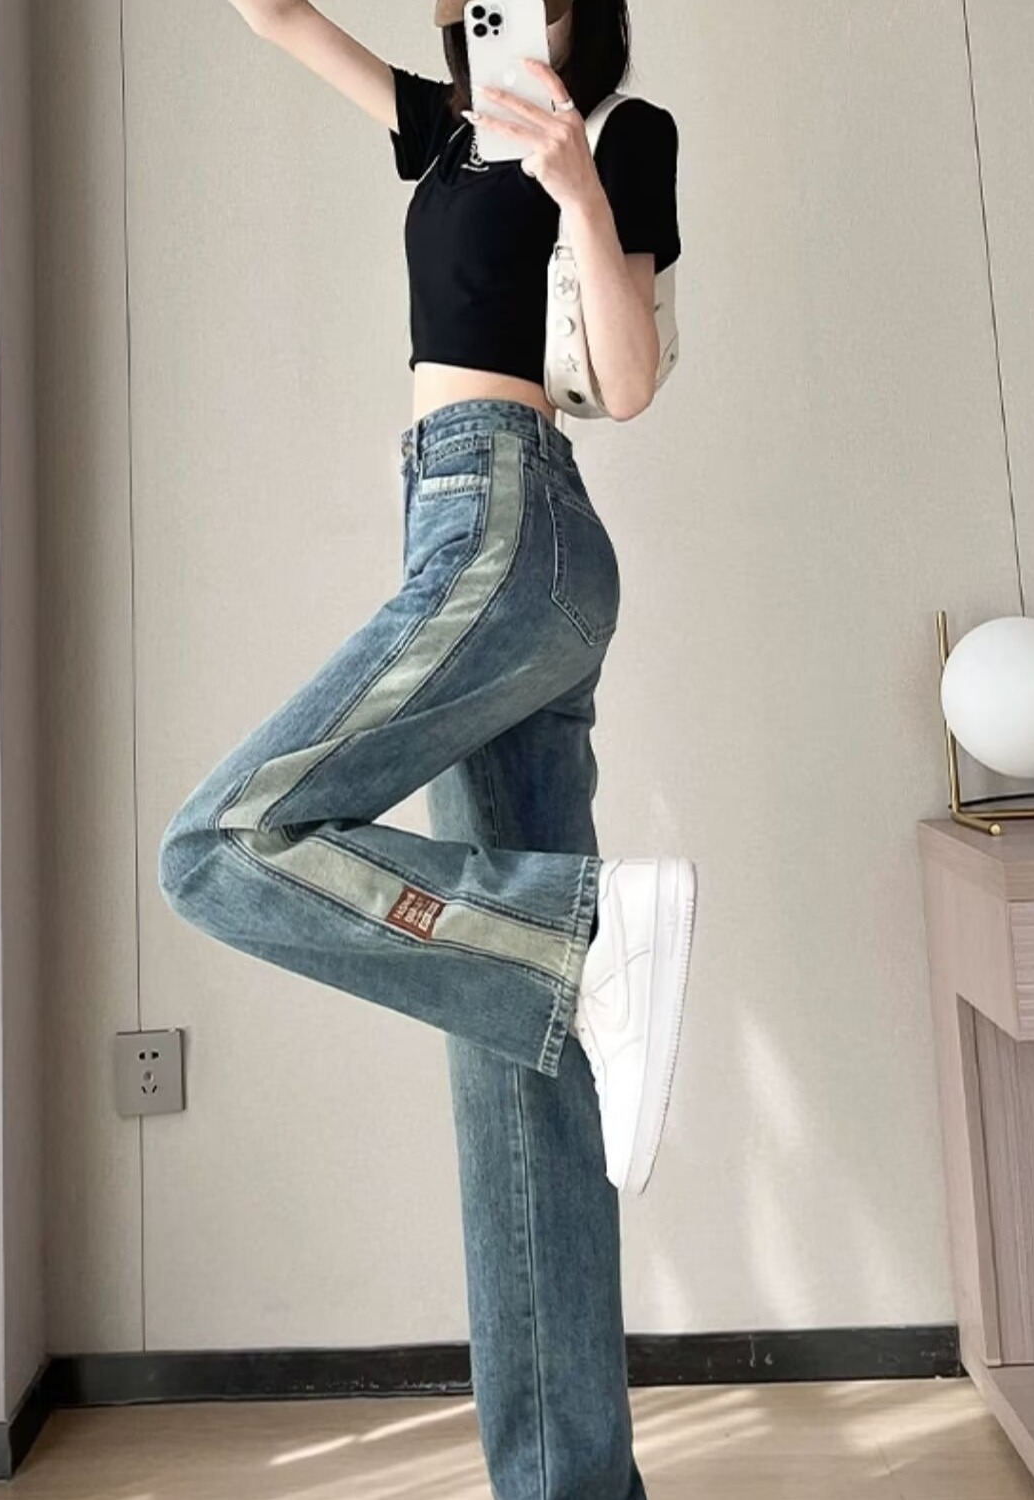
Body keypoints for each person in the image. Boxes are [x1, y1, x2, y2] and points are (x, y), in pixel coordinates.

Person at [157, 4, 697, 1494]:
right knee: (518, 1064)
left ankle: (583, 936)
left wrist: (577, 184)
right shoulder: (441, 128)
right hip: (458, 526)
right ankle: (569, 1485)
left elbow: (631, 379)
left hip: (512, 520)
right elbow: (272, 13)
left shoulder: (621, 135)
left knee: (219, 844)